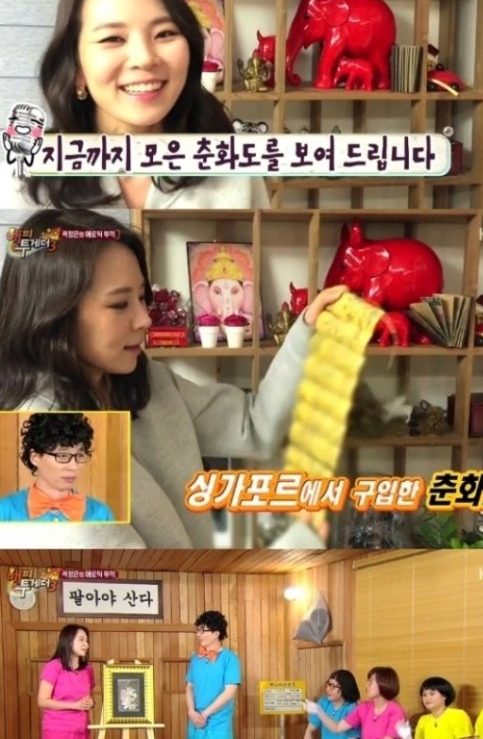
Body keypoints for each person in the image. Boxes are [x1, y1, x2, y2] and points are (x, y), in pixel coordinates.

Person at [0, 207, 347, 549]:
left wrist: (308, 330)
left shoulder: (147, 382)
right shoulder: (38, 440)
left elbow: (255, 425)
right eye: (119, 305)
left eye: (141, 297)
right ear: (53, 314)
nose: (144, 319)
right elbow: (122, 577)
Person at [0, 0, 268, 212]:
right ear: (77, 70)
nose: (145, 58)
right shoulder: (24, 182)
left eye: (165, 33)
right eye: (113, 38)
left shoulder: (236, 167)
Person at [0, 412, 115, 521]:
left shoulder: (101, 514)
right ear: (35, 457)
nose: (74, 467)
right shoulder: (5, 510)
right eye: (62, 455)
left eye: (79, 455)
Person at [184, 611, 241, 739]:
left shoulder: (230, 659)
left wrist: (206, 713)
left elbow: (230, 691)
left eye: (202, 630)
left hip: (219, 725)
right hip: (196, 724)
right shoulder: (195, 658)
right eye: (197, 630)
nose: (198, 634)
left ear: (216, 633)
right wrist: (191, 711)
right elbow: (189, 687)